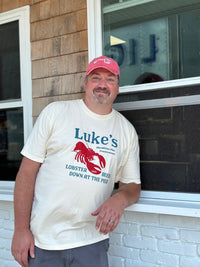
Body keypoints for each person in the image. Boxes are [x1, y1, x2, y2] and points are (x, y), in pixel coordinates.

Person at [11, 56, 141, 267]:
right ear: (85, 83)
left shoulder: (126, 131)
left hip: (92, 240)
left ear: (118, 87)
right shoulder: (56, 113)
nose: (102, 84)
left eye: (110, 79)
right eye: (96, 78)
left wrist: (120, 198)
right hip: (44, 241)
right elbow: (26, 173)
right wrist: (20, 230)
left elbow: (133, 186)